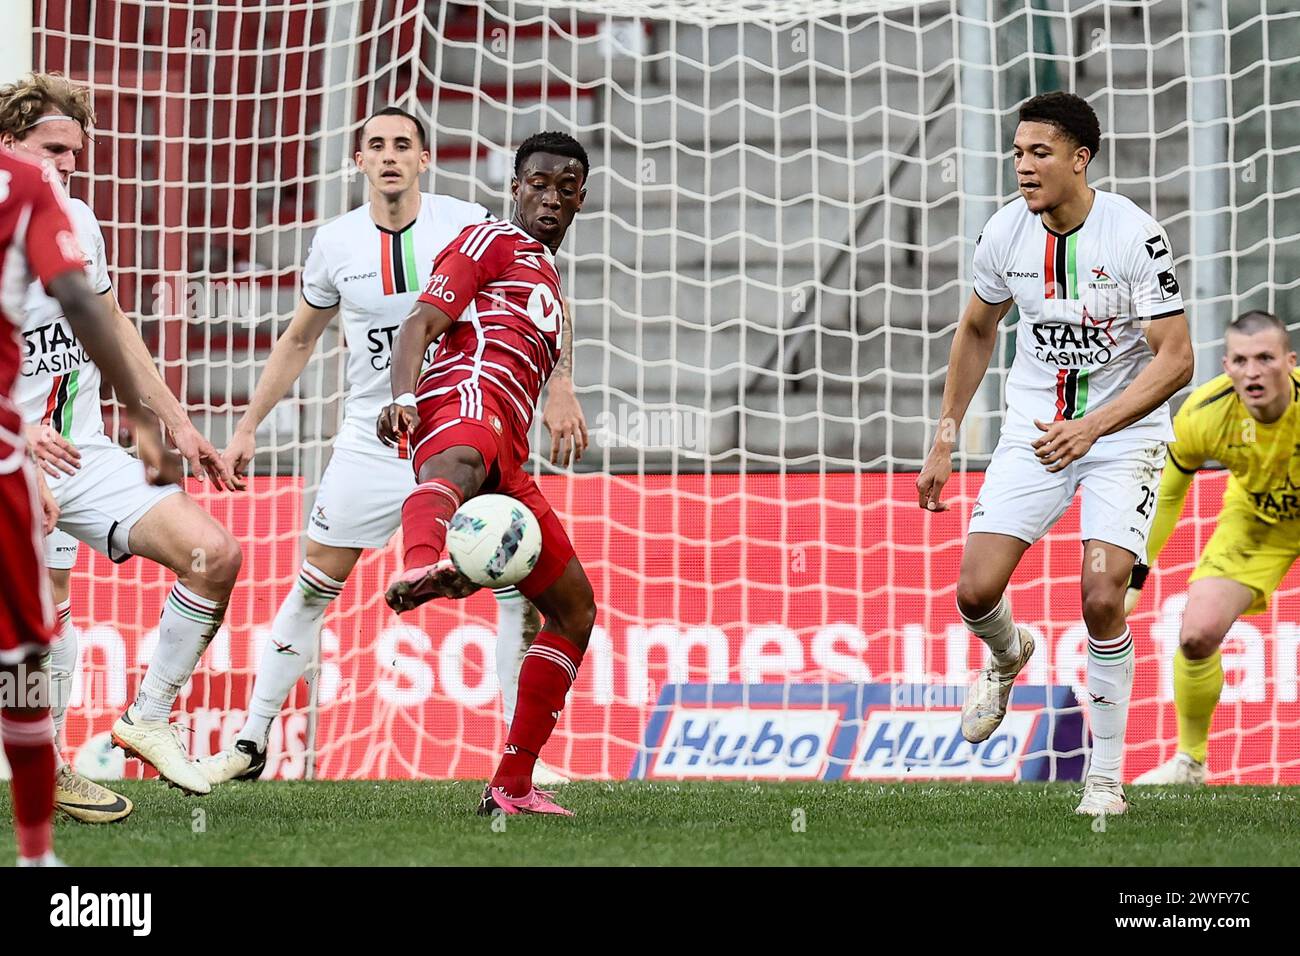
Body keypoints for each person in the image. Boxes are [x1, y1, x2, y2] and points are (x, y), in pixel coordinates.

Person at [200, 108, 586, 786]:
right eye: (375, 145)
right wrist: (247, 424)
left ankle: (522, 763)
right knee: (316, 583)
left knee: (514, 590)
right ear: (358, 159)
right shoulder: (336, 242)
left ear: (425, 158)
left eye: (402, 144)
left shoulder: (468, 221)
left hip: (461, 417)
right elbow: (299, 340)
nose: (389, 156)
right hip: (377, 427)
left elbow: (538, 305)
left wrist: (561, 381)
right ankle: (252, 741)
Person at [915, 92, 1194, 815]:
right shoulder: (1005, 233)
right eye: (1016, 153)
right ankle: (1009, 655)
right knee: (974, 592)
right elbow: (975, 331)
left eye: (1039, 153)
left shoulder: (1135, 235)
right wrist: (945, 439)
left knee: (1102, 597)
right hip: (1037, 431)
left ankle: (1104, 778)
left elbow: (1177, 360)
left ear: (1080, 159)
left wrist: (1096, 425)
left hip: (1123, 437)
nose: (1023, 167)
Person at [3, 72, 242, 805]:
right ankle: (51, 771)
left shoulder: (77, 220)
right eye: (52, 148)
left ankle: (147, 718)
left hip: (81, 450)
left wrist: (175, 422)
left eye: (76, 151)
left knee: (215, 556)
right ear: (8, 147)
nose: (69, 164)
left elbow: (114, 331)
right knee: (46, 622)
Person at [379, 131, 594, 815]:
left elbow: (542, 342)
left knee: (574, 609)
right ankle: (419, 562)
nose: (551, 197)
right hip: (462, 401)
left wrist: (563, 385)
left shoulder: (549, 280)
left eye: (566, 186)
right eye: (538, 182)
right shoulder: (487, 239)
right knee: (459, 463)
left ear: (581, 200)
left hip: (513, 448)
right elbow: (420, 320)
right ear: (515, 187)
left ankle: (512, 783)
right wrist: (403, 397)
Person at [1129, 311, 1299, 785]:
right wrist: (1137, 574)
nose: (1253, 372)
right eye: (1241, 360)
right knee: (1196, 634)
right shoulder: (1204, 414)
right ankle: (1191, 762)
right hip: (1255, 522)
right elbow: (1166, 494)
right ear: (1226, 365)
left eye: (1265, 358)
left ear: (1290, 361)